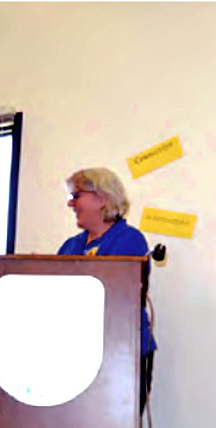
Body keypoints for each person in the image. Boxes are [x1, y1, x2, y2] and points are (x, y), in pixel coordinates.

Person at [57, 167, 156, 415]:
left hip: (120, 354)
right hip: (74, 355)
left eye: (77, 195)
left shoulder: (129, 240)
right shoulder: (70, 246)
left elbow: (110, 293)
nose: (71, 203)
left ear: (102, 199)